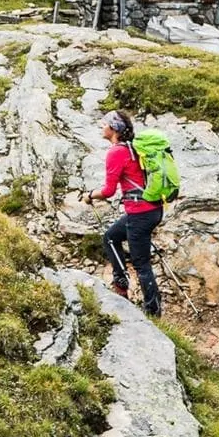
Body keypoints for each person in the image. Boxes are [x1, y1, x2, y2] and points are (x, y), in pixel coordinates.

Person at [90, 110, 162, 317]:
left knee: (141, 264)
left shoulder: (116, 152)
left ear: (114, 129)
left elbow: (108, 191)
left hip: (140, 213)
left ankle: (153, 312)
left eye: (105, 124)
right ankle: (121, 284)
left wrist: (90, 195)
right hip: (152, 209)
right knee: (111, 237)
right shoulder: (134, 147)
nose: (102, 127)